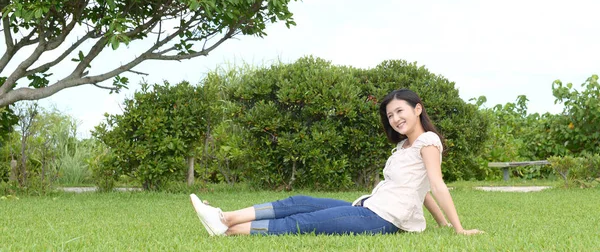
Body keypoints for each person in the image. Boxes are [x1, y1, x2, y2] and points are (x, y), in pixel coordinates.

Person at [190, 88, 483, 236]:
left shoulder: (428, 142)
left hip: (381, 220)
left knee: (302, 222)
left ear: (418, 109)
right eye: (390, 115)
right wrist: (441, 223)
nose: (395, 119)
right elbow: (423, 190)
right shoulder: (405, 146)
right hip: (369, 207)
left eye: (399, 111)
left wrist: (458, 229)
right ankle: (226, 216)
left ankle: (227, 230)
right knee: (298, 202)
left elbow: (436, 184)